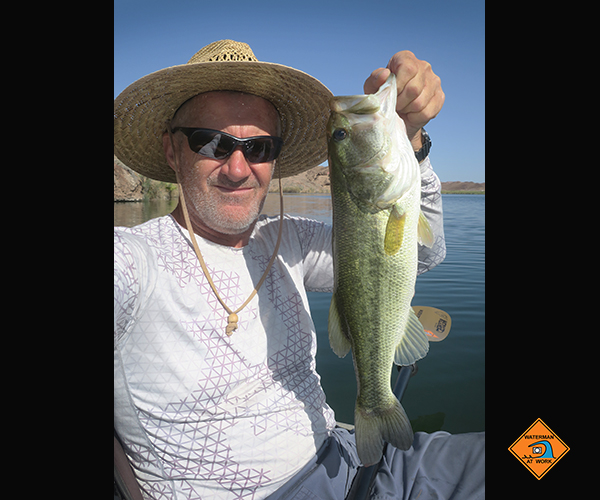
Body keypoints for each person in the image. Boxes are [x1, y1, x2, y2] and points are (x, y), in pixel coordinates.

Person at [114, 39, 484, 500]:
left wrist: (411, 142)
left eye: (259, 147)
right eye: (210, 141)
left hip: (349, 457)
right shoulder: (130, 259)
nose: (237, 167)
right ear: (172, 151)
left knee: (547, 450)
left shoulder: (290, 240)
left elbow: (422, 256)